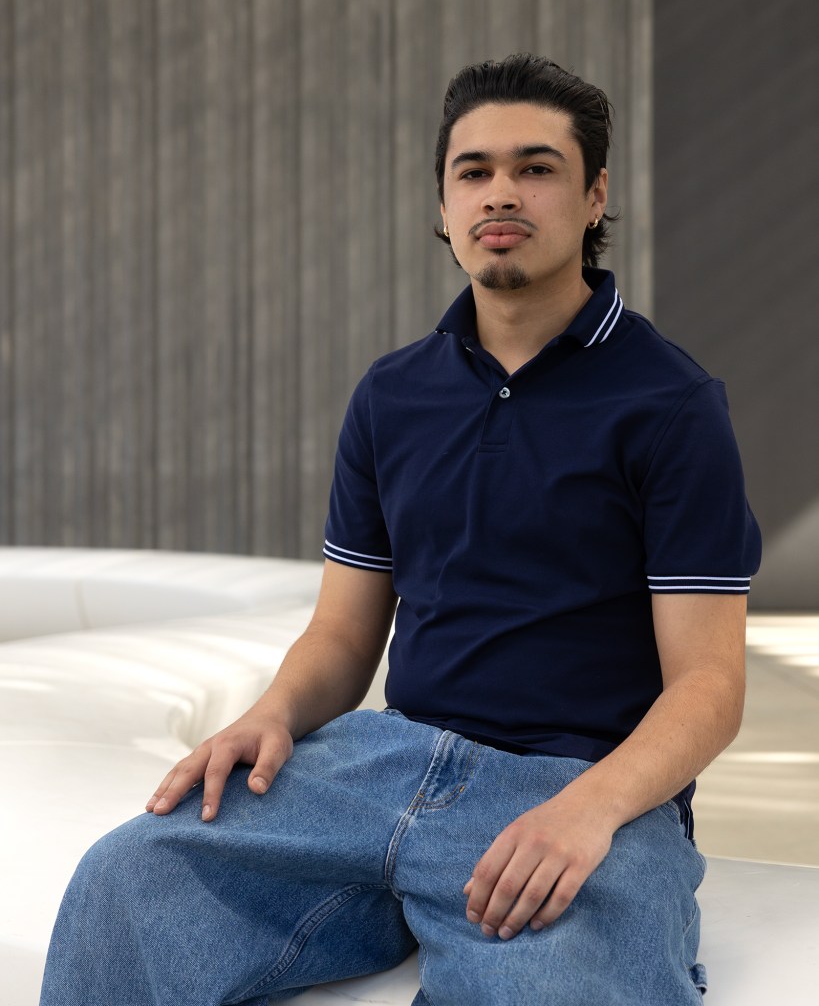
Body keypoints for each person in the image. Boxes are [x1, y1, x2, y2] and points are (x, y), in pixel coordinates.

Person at [40, 54, 761, 1006]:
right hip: (377, 768)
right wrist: (270, 714)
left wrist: (585, 814)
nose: (501, 191)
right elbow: (343, 635)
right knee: (125, 881)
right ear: (443, 203)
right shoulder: (392, 394)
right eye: (474, 171)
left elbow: (708, 686)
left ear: (592, 198)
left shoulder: (669, 404)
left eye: (536, 168)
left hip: (575, 784)